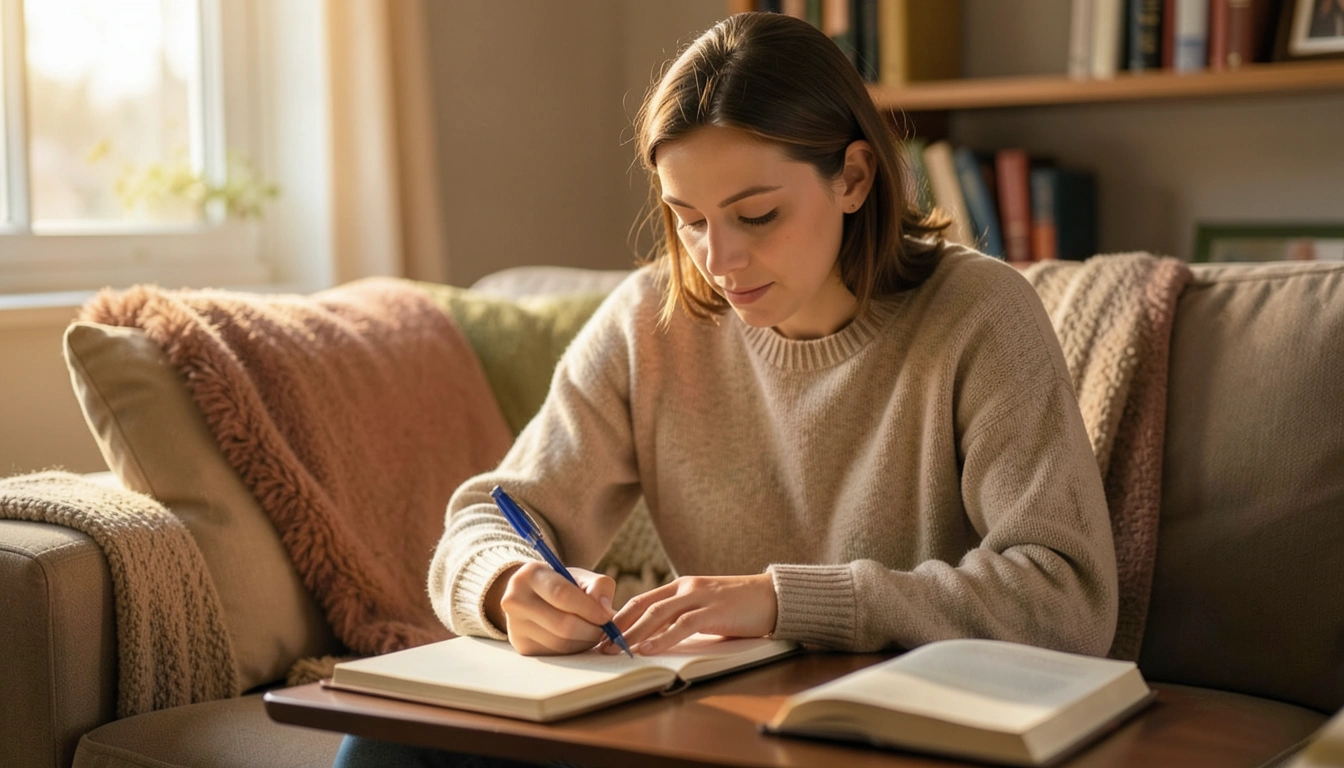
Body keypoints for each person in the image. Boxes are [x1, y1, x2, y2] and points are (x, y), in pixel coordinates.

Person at [334, 11, 1117, 767]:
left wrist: (787, 602)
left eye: (757, 215)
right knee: (386, 745)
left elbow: (1067, 598)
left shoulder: (979, 315)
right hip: (710, 723)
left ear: (852, 176)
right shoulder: (651, 321)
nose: (719, 258)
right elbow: (488, 516)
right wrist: (509, 583)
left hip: (908, 730)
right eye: (689, 220)